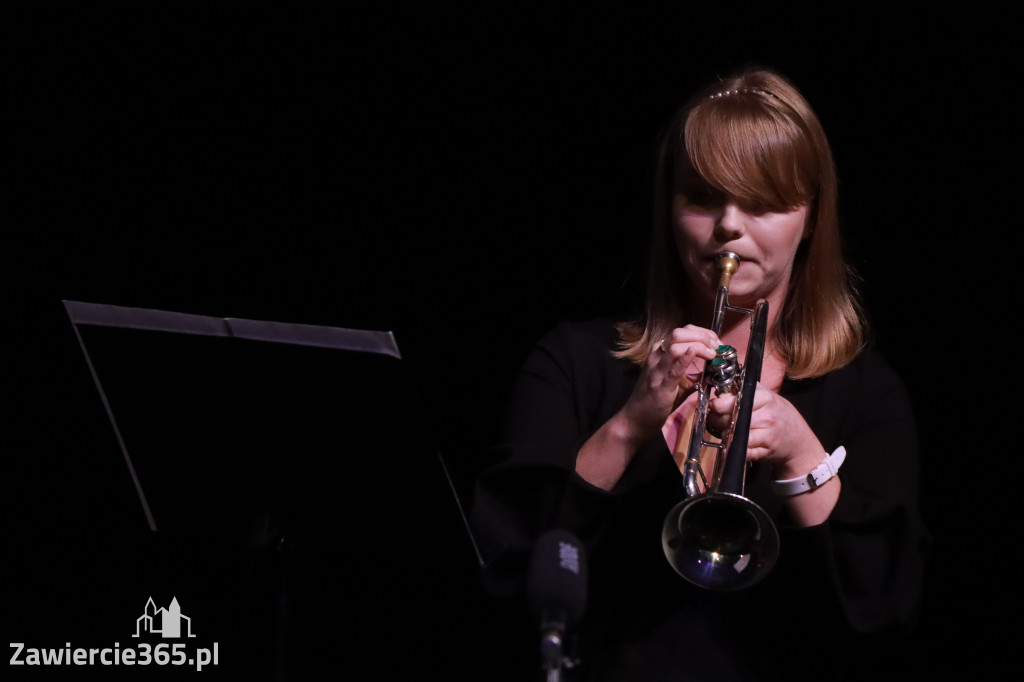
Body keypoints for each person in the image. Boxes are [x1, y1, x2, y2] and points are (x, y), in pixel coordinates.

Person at [469, 66, 928, 681]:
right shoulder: (573, 362)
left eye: (764, 202)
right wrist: (630, 425)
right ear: (670, 205)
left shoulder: (866, 393)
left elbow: (885, 617)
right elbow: (505, 572)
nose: (730, 225)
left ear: (812, 218)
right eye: (704, 197)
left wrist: (801, 456)